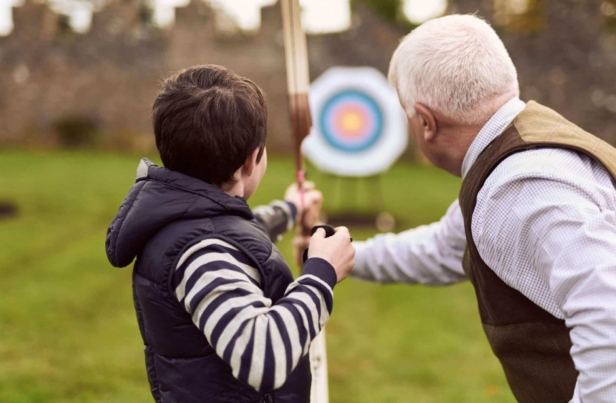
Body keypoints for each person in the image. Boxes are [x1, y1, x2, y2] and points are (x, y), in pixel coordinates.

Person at [347, 14, 616, 403]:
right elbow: (444, 248)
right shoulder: (506, 161)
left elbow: (609, 313)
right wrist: (344, 255)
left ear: (425, 122)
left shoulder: (521, 188)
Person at [105, 65, 355, 403]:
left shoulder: (189, 221)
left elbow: (237, 235)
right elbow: (264, 357)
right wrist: (322, 274)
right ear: (252, 161)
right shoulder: (202, 253)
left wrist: (291, 208)